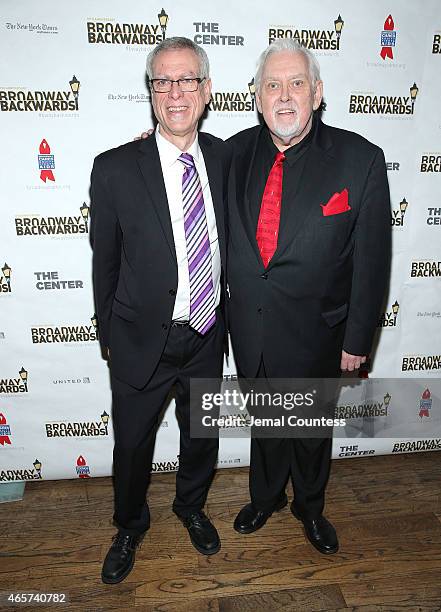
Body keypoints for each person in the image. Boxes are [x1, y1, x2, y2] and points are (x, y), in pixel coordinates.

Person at [227, 39, 391, 554]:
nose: (283, 96)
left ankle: (310, 508)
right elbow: (175, 162)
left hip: (320, 333)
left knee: (310, 432)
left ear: (317, 93)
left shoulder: (360, 159)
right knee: (267, 427)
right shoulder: (229, 153)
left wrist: (358, 338)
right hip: (251, 328)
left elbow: (372, 260)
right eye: (271, 85)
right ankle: (266, 498)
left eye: (296, 83)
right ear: (257, 97)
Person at [90, 37, 230, 584]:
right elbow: (104, 265)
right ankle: (129, 523)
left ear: (207, 89)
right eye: (163, 81)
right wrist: (109, 335)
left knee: (202, 436)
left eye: (188, 79)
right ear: (150, 92)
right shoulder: (114, 168)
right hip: (139, 339)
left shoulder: (227, 158)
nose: (176, 92)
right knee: (132, 447)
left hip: (205, 335)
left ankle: (190, 506)